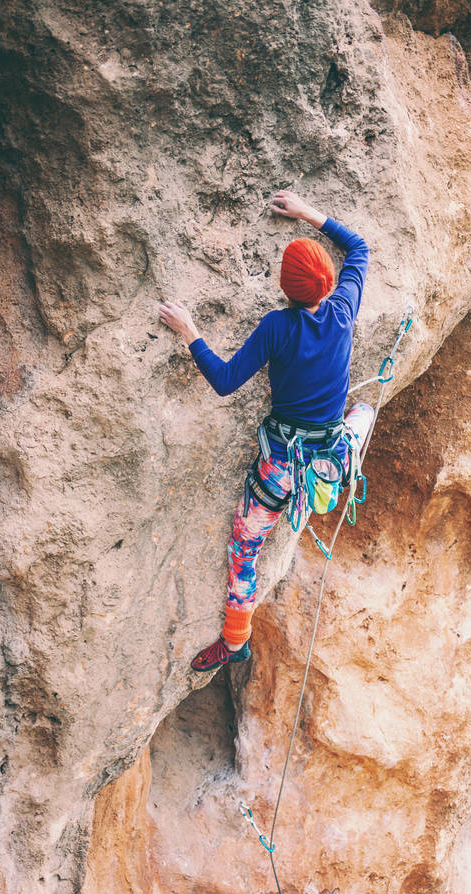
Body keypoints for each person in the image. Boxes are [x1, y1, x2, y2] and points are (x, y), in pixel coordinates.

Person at [159, 190, 374, 671]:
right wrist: (308, 214)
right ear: (330, 283)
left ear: (286, 289)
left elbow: (225, 380)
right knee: (364, 411)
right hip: (331, 459)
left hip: (280, 472)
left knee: (244, 548)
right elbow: (359, 248)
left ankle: (235, 643)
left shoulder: (278, 327)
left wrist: (189, 329)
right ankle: (349, 450)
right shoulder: (343, 310)